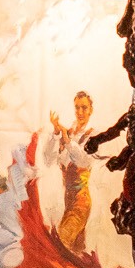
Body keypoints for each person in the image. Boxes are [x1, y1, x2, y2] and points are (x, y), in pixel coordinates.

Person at [46, 90, 95, 253]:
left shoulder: (91, 136)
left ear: (90, 110)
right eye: (77, 108)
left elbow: (83, 160)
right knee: (76, 254)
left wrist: (66, 139)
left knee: (61, 245)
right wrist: (55, 132)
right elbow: (49, 159)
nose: (80, 112)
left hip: (81, 202)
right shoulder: (69, 133)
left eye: (84, 108)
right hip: (68, 202)